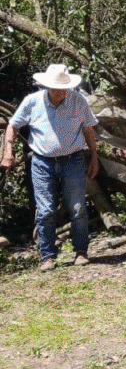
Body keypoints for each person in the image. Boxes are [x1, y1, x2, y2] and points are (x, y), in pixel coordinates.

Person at [1, 64, 99, 270]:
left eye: (62, 88)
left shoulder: (78, 101)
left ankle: (81, 252)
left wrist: (94, 157)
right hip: (42, 162)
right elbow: (13, 124)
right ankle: (47, 256)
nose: (59, 93)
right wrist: (7, 150)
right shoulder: (32, 102)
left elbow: (88, 129)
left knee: (78, 209)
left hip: (72, 160)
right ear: (46, 86)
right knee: (45, 211)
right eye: (55, 89)